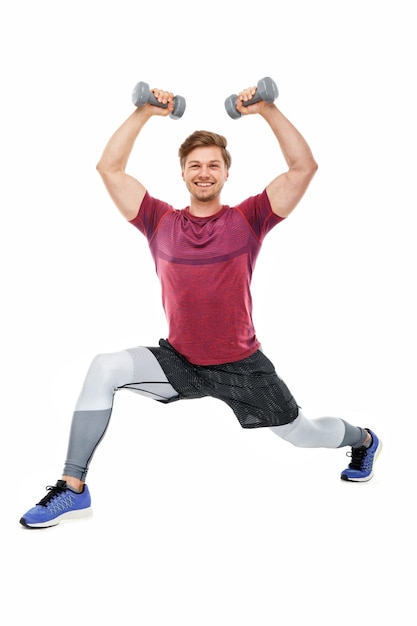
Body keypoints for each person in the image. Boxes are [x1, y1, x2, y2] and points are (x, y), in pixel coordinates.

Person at [20, 82, 382, 529]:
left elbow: (303, 167)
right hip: (181, 360)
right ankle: (72, 488)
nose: (204, 172)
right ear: (184, 173)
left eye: (213, 165)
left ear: (227, 173)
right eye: (195, 165)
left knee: (301, 434)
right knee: (103, 367)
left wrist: (267, 110)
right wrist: (145, 113)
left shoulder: (248, 220)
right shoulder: (158, 221)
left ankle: (364, 439)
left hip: (241, 365)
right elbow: (109, 169)